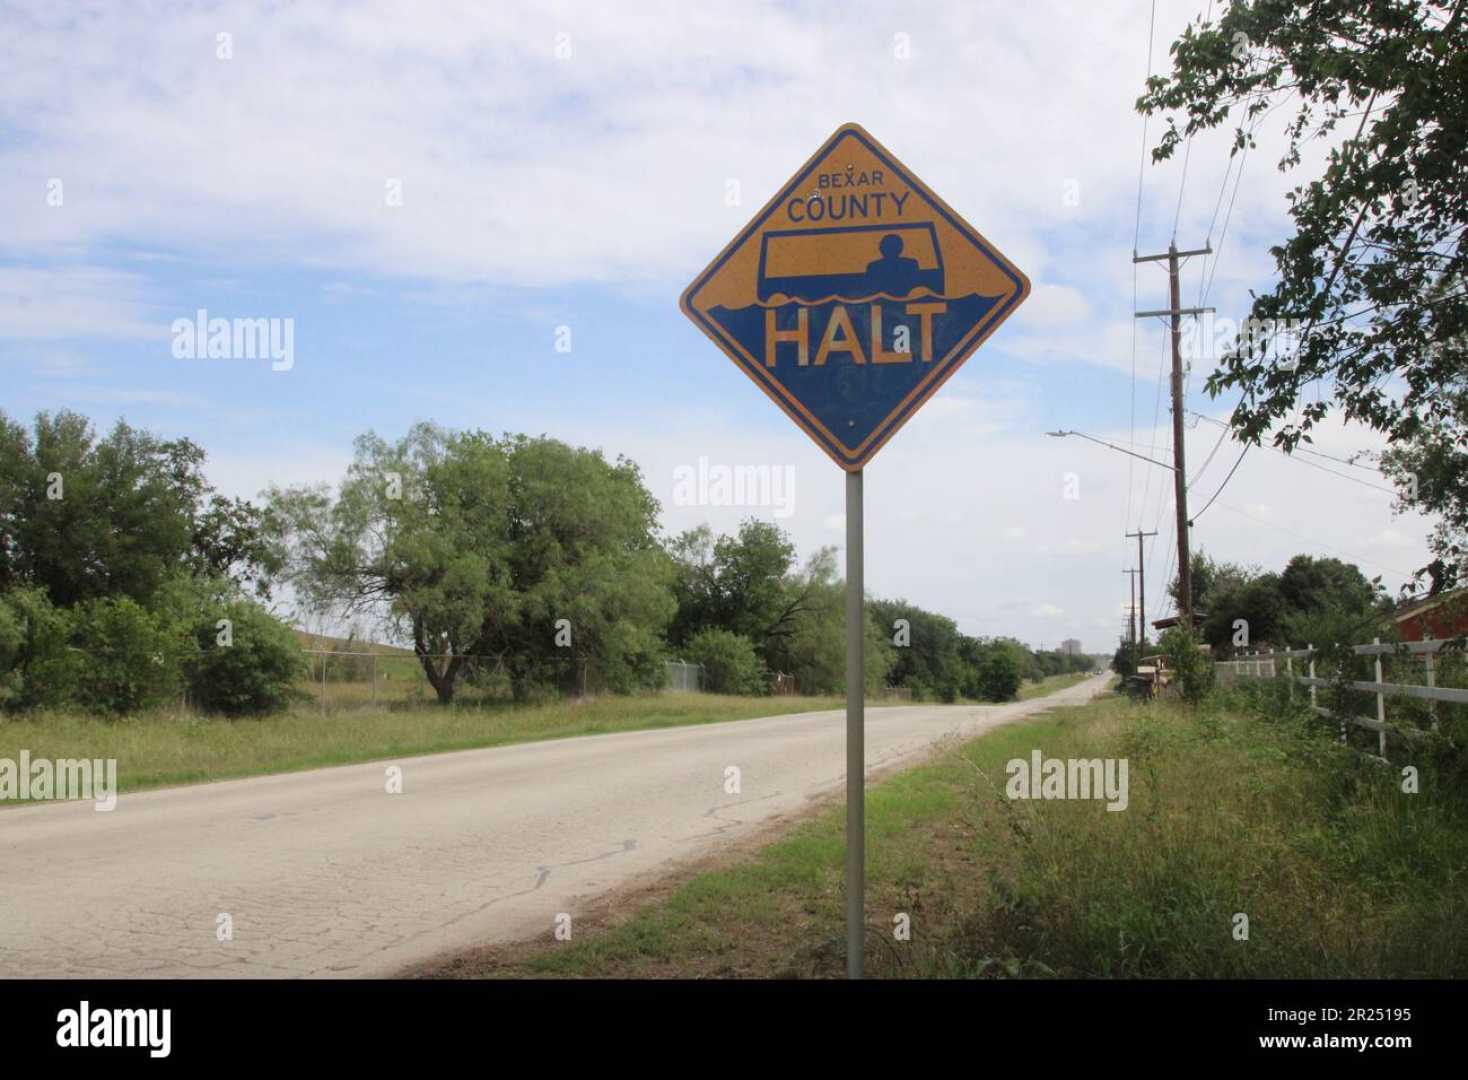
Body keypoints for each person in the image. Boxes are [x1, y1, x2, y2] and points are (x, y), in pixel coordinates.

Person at [863, 233, 920, 297]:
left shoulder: (910, 264)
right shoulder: (873, 266)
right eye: (887, 246)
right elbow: (871, 287)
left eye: (893, 246)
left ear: (900, 248)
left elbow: (914, 285)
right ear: (881, 248)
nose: (890, 249)